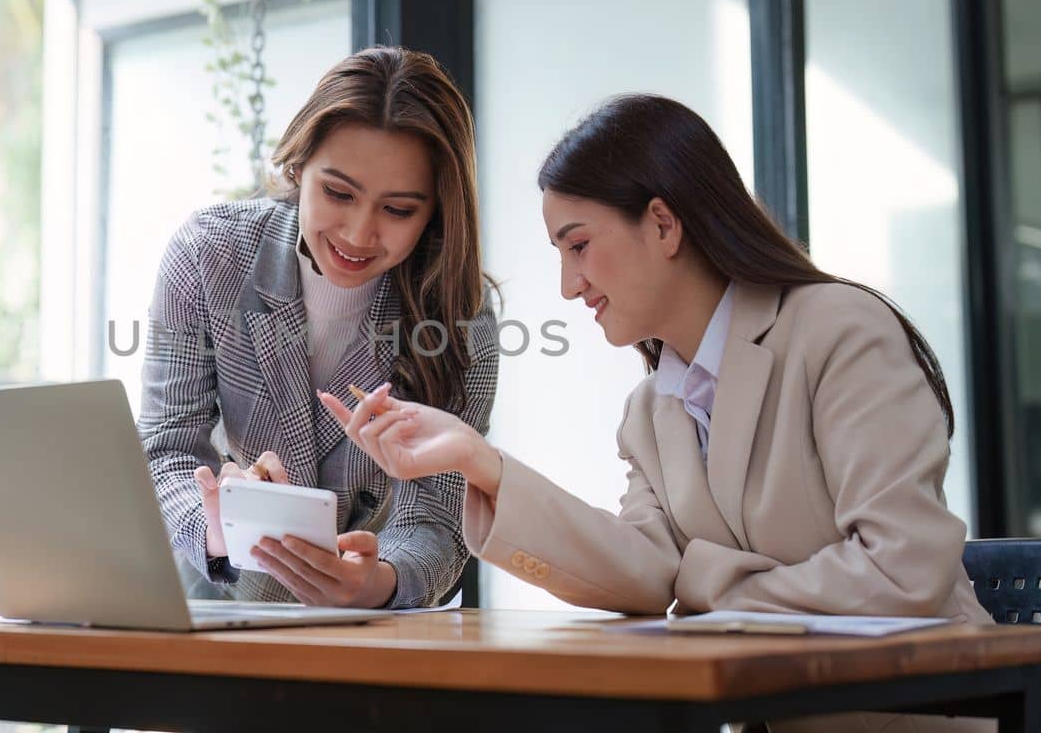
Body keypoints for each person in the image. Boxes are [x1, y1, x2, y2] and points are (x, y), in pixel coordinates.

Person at [320, 94, 990, 730]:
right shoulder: (652, 409)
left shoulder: (838, 333)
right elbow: (647, 575)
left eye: (578, 245)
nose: (568, 285)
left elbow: (904, 570)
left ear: (664, 224)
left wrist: (706, 588)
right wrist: (479, 461)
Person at [139, 46, 500, 609]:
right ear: (296, 167)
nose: (359, 233)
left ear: (436, 212)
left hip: (375, 633)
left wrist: (379, 580)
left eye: (399, 210)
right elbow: (167, 447)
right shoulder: (207, 256)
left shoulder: (461, 314)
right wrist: (215, 526)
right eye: (338, 193)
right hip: (223, 606)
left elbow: (440, 513)